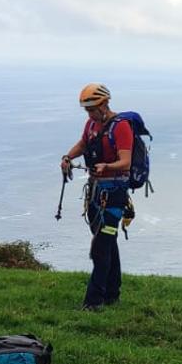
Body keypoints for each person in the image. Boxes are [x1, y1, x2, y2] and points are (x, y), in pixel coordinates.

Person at [60, 83, 133, 310]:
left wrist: (107, 166)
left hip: (114, 194)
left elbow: (126, 161)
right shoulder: (91, 124)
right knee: (107, 243)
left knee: (101, 247)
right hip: (95, 191)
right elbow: (84, 143)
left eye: (92, 109)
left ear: (104, 104)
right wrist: (68, 157)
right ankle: (112, 294)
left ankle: (93, 302)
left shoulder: (121, 127)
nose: (89, 113)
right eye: (87, 110)